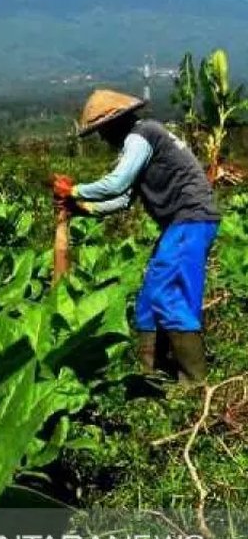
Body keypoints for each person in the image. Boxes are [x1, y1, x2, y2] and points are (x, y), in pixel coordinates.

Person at [53, 89, 220, 382]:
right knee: (148, 299)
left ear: (114, 124)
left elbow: (117, 184)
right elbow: (123, 199)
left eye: (101, 132)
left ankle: (193, 382)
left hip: (190, 219)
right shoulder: (140, 143)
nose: (102, 139)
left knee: (168, 295)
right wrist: (83, 208)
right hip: (182, 224)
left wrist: (74, 190)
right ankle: (151, 373)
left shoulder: (140, 137)